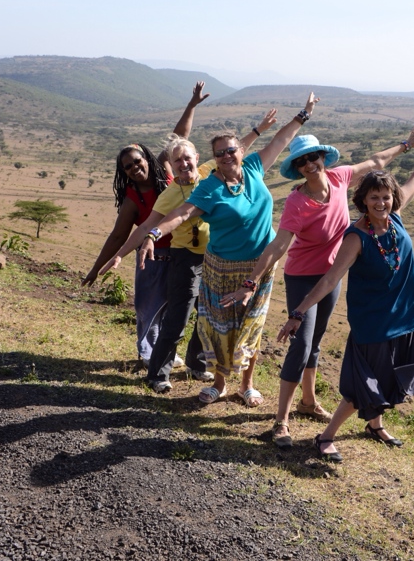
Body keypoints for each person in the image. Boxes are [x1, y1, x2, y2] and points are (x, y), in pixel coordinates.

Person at [220, 123, 414, 448]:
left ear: (323, 158)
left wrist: (406, 144)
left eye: (314, 157)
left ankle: (308, 401)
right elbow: (278, 246)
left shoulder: (339, 177)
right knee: (301, 345)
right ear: (298, 168)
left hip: (332, 276)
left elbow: (375, 163)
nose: (310, 164)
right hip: (304, 277)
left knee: (315, 342)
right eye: (303, 162)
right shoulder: (297, 203)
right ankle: (281, 422)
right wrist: (252, 281)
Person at [133, 94, 321, 407]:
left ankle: (247, 384)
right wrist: (154, 233)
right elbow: (182, 213)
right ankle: (219, 383)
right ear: (215, 158)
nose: (226, 156)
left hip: (260, 265)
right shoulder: (210, 186)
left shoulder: (255, 167)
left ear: (240, 150)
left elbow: (281, 138)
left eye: (230, 150)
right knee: (221, 326)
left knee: (253, 324)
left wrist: (304, 114)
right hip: (222, 267)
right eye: (219, 154)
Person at [276, 137, 414, 463]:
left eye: (386, 197)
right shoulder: (357, 237)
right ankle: (326, 436)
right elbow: (329, 278)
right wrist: (298, 311)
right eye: (374, 198)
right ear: (363, 201)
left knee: (389, 374)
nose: (382, 203)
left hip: (406, 314)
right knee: (363, 387)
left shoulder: (395, 218)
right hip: (373, 320)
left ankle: (375, 426)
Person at [98, 112, 278, 393]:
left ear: (196, 158)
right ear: (172, 164)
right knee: (179, 318)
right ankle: (158, 374)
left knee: (206, 316)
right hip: (186, 259)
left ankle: (196, 364)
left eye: (187, 158)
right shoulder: (169, 194)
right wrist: (122, 253)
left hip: (215, 258)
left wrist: (259, 129)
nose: (183, 164)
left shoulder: (208, 173)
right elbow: (148, 224)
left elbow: (233, 151)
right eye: (177, 160)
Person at [82, 82, 208, 369]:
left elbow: (180, 137)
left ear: (146, 159)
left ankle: (179, 356)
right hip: (151, 258)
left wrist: (192, 104)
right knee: (147, 310)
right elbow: (119, 235)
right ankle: (150, 357)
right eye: (127, 167)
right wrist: (97, 266)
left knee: (183, 310)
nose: (134, 168)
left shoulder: (168, 172)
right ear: (123, 172)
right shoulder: (132, 198)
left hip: (182, 253)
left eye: (137, 161)